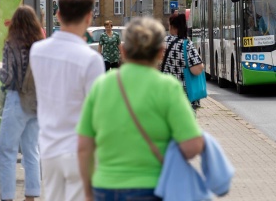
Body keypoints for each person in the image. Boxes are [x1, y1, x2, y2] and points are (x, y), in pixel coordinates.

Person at [77, 17, 204, 201]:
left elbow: (83, 146)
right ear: (161, 52)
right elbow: (192, 146)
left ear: (122, 51)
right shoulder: (169, 88)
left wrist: (88, 192)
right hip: (152, 187)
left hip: (106, 187)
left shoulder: (100, 86)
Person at [29, 0, 105, 201]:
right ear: (89, 17)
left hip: (49, 147)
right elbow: (96, 113)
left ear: (58, 14)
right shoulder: (91, 60)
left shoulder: (37, 51)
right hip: (79, 149)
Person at [0, 5, 44, 201]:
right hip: (37, 102)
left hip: (17, 99)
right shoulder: (41, 44)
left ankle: (7, 197)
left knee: (6, 151)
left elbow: (7, 78)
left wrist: (0, 67)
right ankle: (31, 196)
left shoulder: (11, 43)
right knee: (31, 150)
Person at [161, 14, 204, 109]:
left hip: (165, 91)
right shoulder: (186, 44)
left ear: (172, 26)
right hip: (184, 94)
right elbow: (197, 69)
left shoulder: (162, 43)